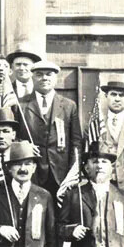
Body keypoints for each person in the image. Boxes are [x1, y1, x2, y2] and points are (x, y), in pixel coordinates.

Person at [18, 60, 81, 190]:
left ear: (56, 78)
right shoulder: (20, 105)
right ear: (32, 77)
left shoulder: (69, 106)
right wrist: (23, 146)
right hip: (31, 171)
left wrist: (73, 172)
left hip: (60, 173)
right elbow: (13, 136)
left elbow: (76, 143)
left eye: (49, 74)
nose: (44, 78)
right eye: (39, 74)